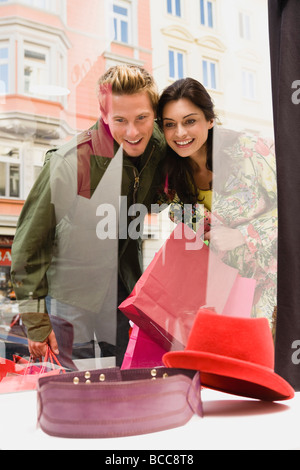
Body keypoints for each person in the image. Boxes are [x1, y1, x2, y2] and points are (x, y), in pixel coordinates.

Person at [11, 65, 166, 366]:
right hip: (70, 296)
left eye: (142, 119)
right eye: (120, 120)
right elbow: (28, 246)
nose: (133, 132)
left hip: (121, 291)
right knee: (74, 386)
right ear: (104, 114)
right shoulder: (70, 163)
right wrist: (37, 325)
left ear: (154, 115)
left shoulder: (159, 145)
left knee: (125, 378)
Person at [157, 77, 278, 326]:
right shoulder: (173, 179)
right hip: (222, 300)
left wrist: (244, 235)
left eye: (190, 121)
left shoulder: (251, 151)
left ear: (210, 120)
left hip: (275, 294)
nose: (180, 133)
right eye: (170, 124)